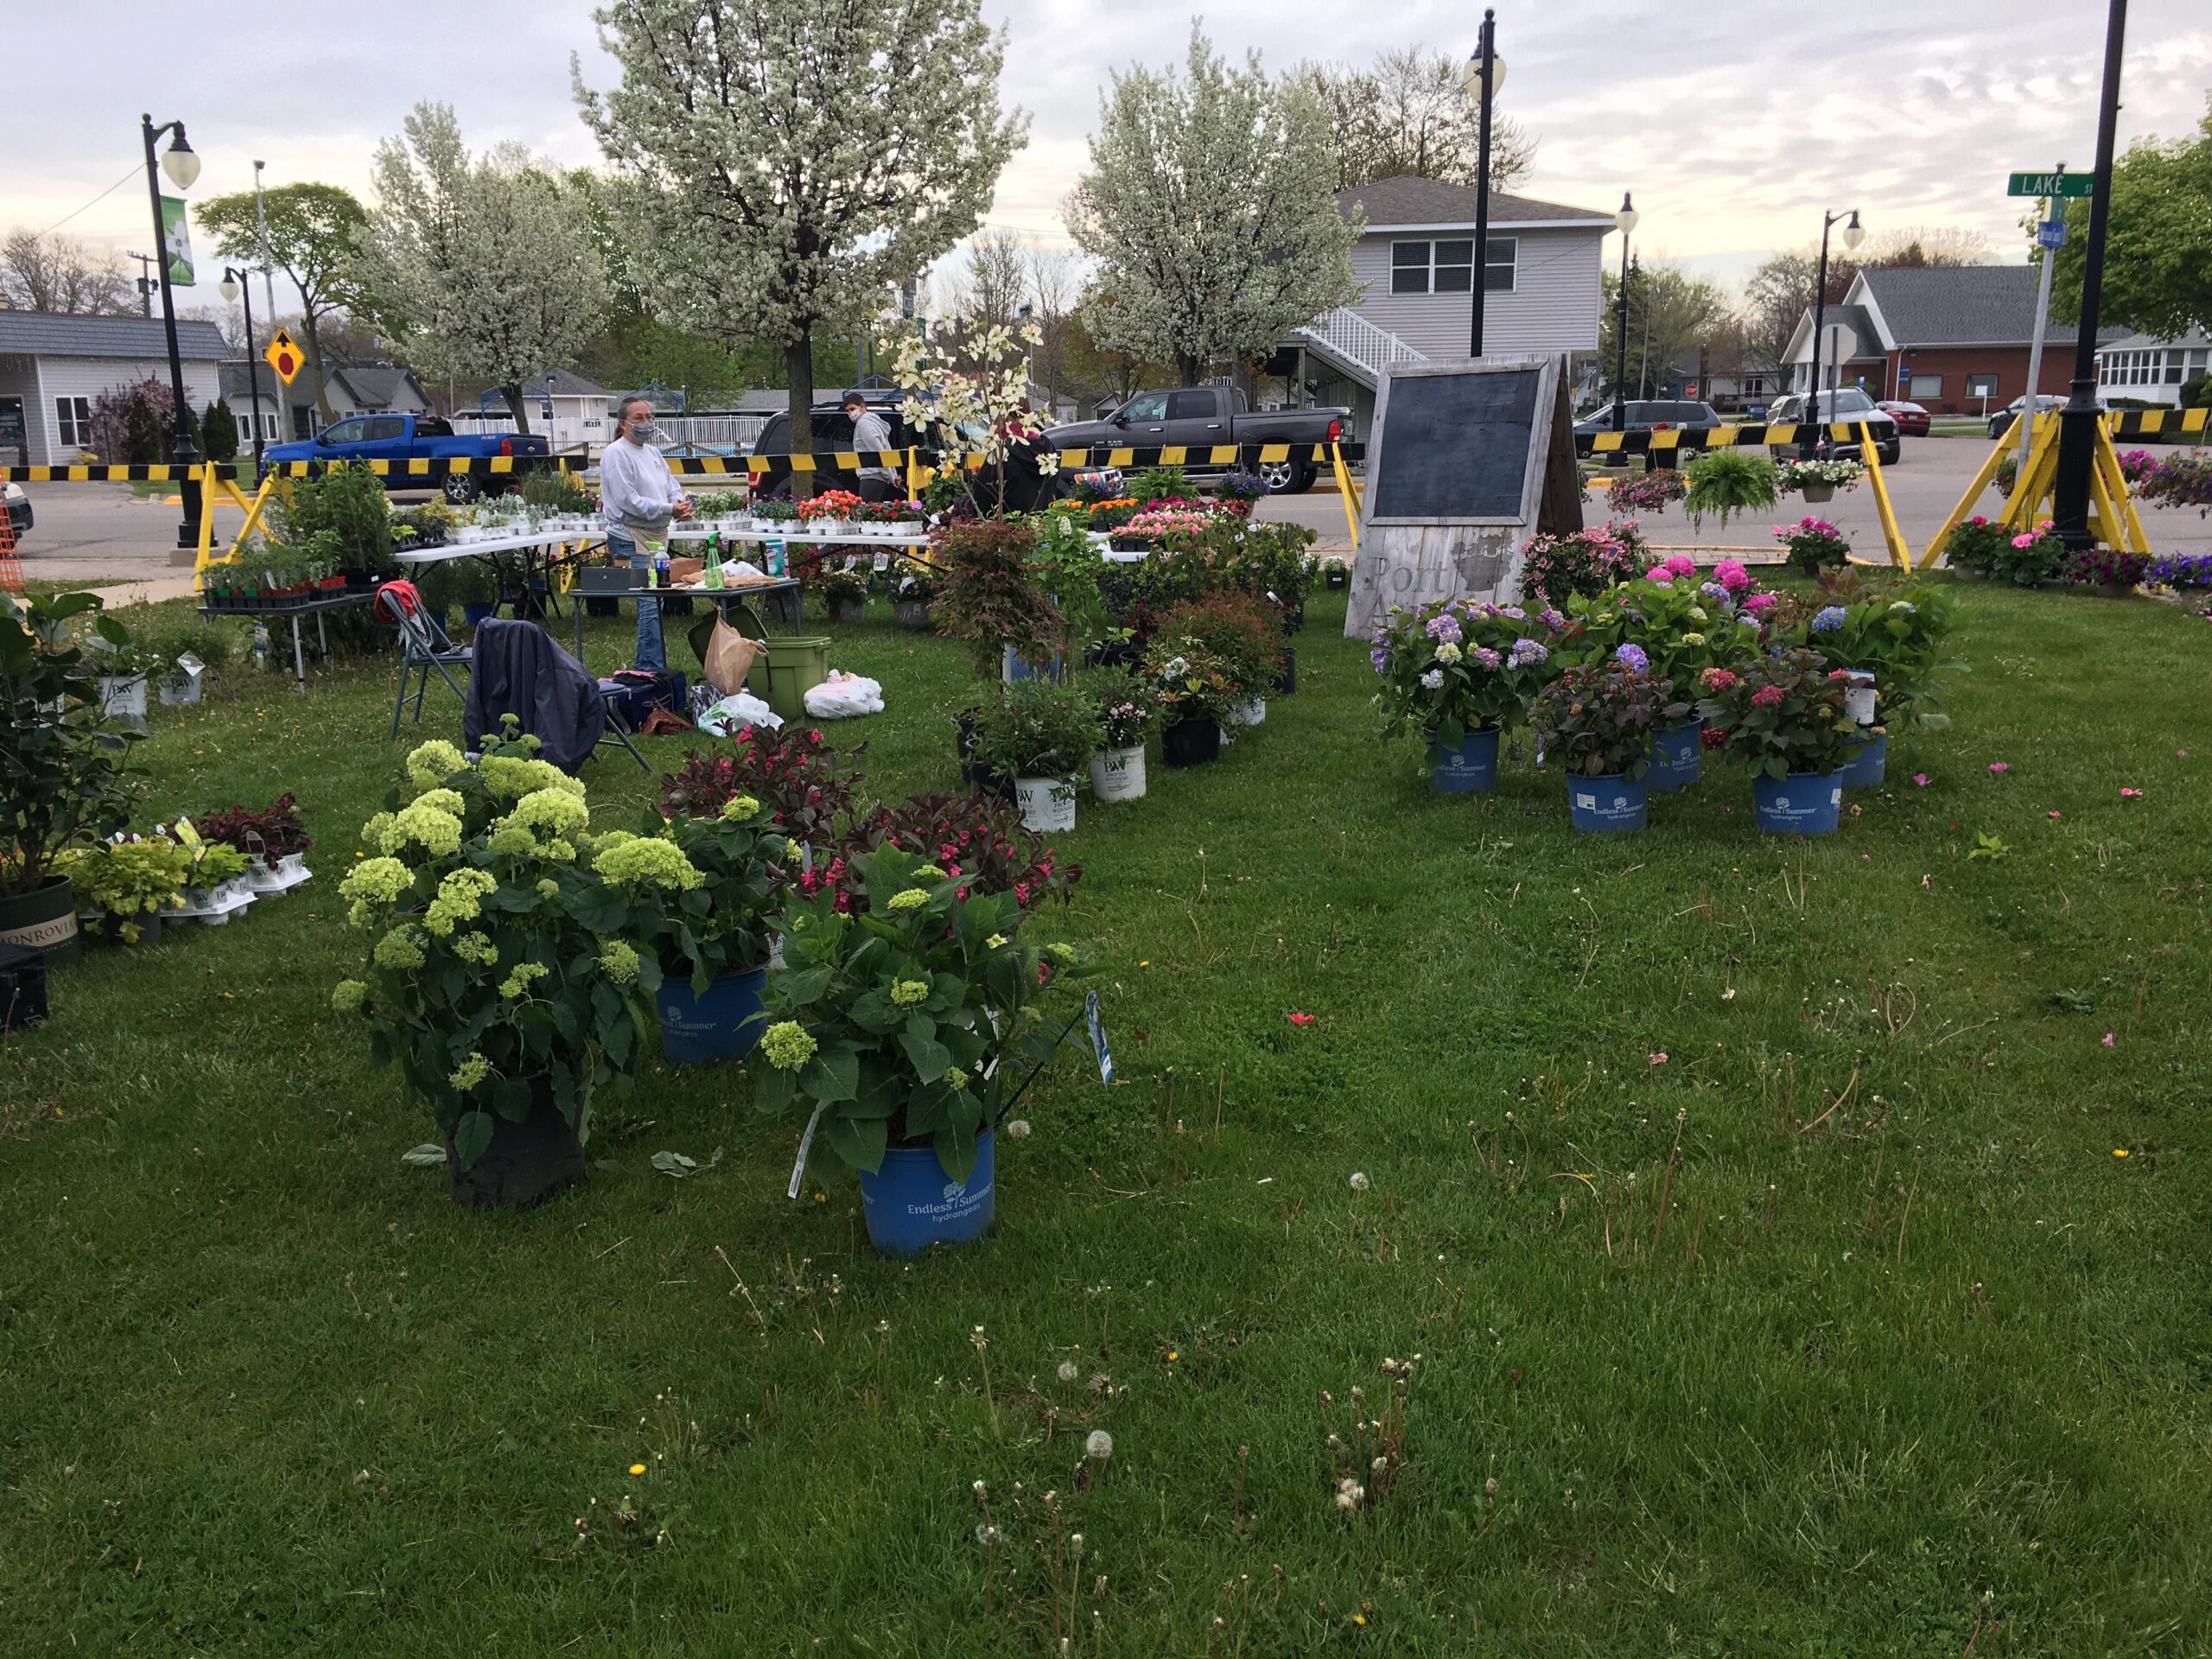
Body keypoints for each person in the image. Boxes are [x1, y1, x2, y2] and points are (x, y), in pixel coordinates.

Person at [600, 395, 692, 671]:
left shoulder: (653, 453)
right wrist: (669, 509)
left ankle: (650, 665)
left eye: (649, 417)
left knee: (656, 600)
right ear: (623, 423)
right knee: (649, 602)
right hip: (630, 536)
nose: (646, 422)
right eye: (638, 418)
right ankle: (649, 669)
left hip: (656, 536)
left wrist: (680, 504)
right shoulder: (616, 454)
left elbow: (671, 486)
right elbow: (628, 502)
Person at [843, 391, 901, 503]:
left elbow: (877, 452)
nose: (850, 413)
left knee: (866, 511)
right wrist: (892, 474)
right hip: (879, 477)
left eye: (852, 409)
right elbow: (886, 449)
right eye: (847, 411)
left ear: (862, 407)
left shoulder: (864, 424)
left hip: (871, 476)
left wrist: (890, 476)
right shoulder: (874, 422)